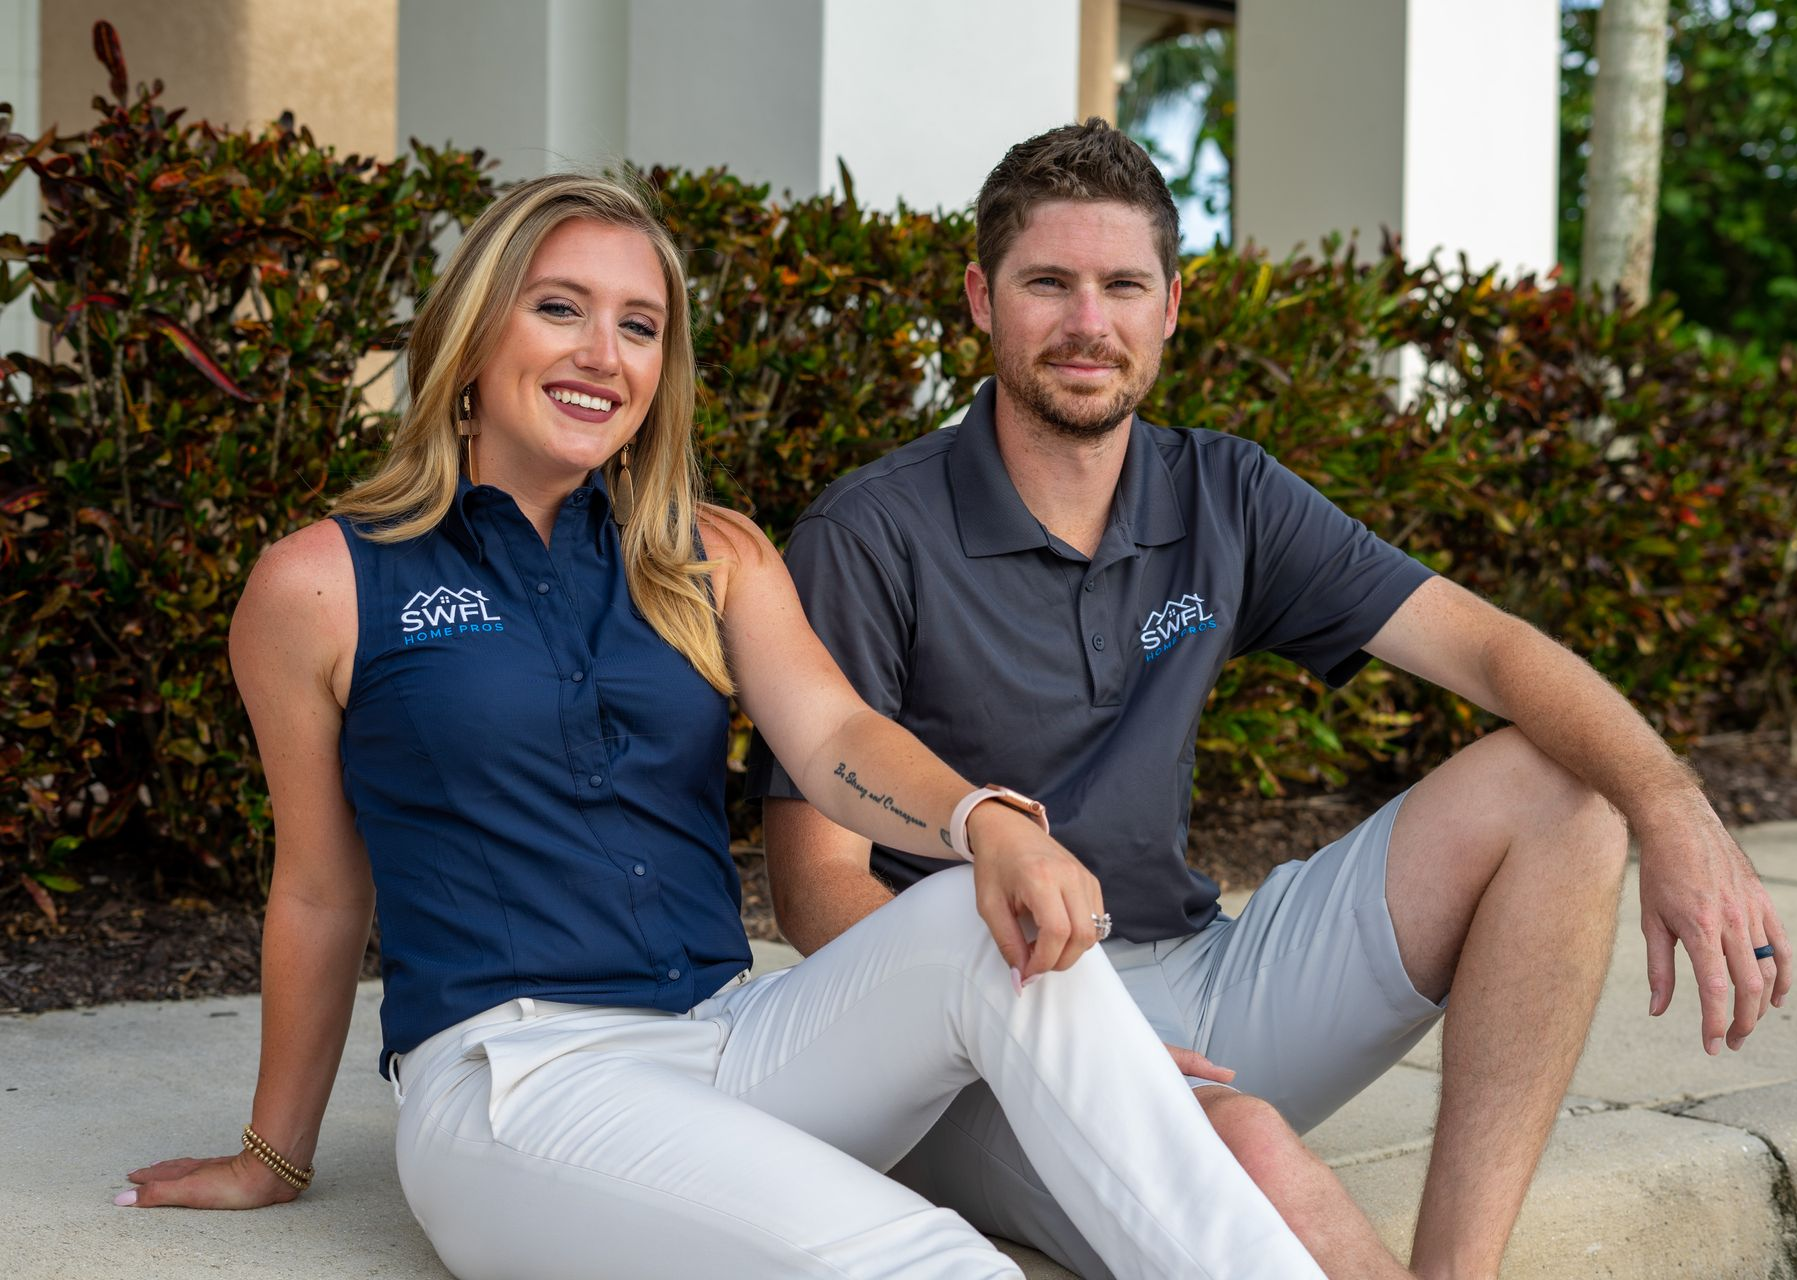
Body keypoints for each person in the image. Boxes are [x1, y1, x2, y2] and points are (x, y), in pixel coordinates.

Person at [111, 172, 1333, 1280]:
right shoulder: (319, 585)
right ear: (473, 333)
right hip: (520, 1080)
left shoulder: (710, 555)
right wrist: (273, 1151)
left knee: (980, 901)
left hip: (735, 1037)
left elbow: (836, 738)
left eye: (640, 326)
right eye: (560, 309)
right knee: (922, 1256)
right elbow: (322, 891)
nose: (605, 353)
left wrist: (983, 822)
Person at [749, 119, 1793, 1280]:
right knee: (1247, 1146)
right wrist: (1066, 1038)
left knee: (1568, 789)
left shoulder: (1223, 490)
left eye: (1122, 286)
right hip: (974, 1038)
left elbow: (1492, 649)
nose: (1088, 322)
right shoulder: (872, 532)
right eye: (1048, 282)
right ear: (982, 301)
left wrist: (1673, 806)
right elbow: (815, 887)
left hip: (1199, 978)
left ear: (1171, 308)